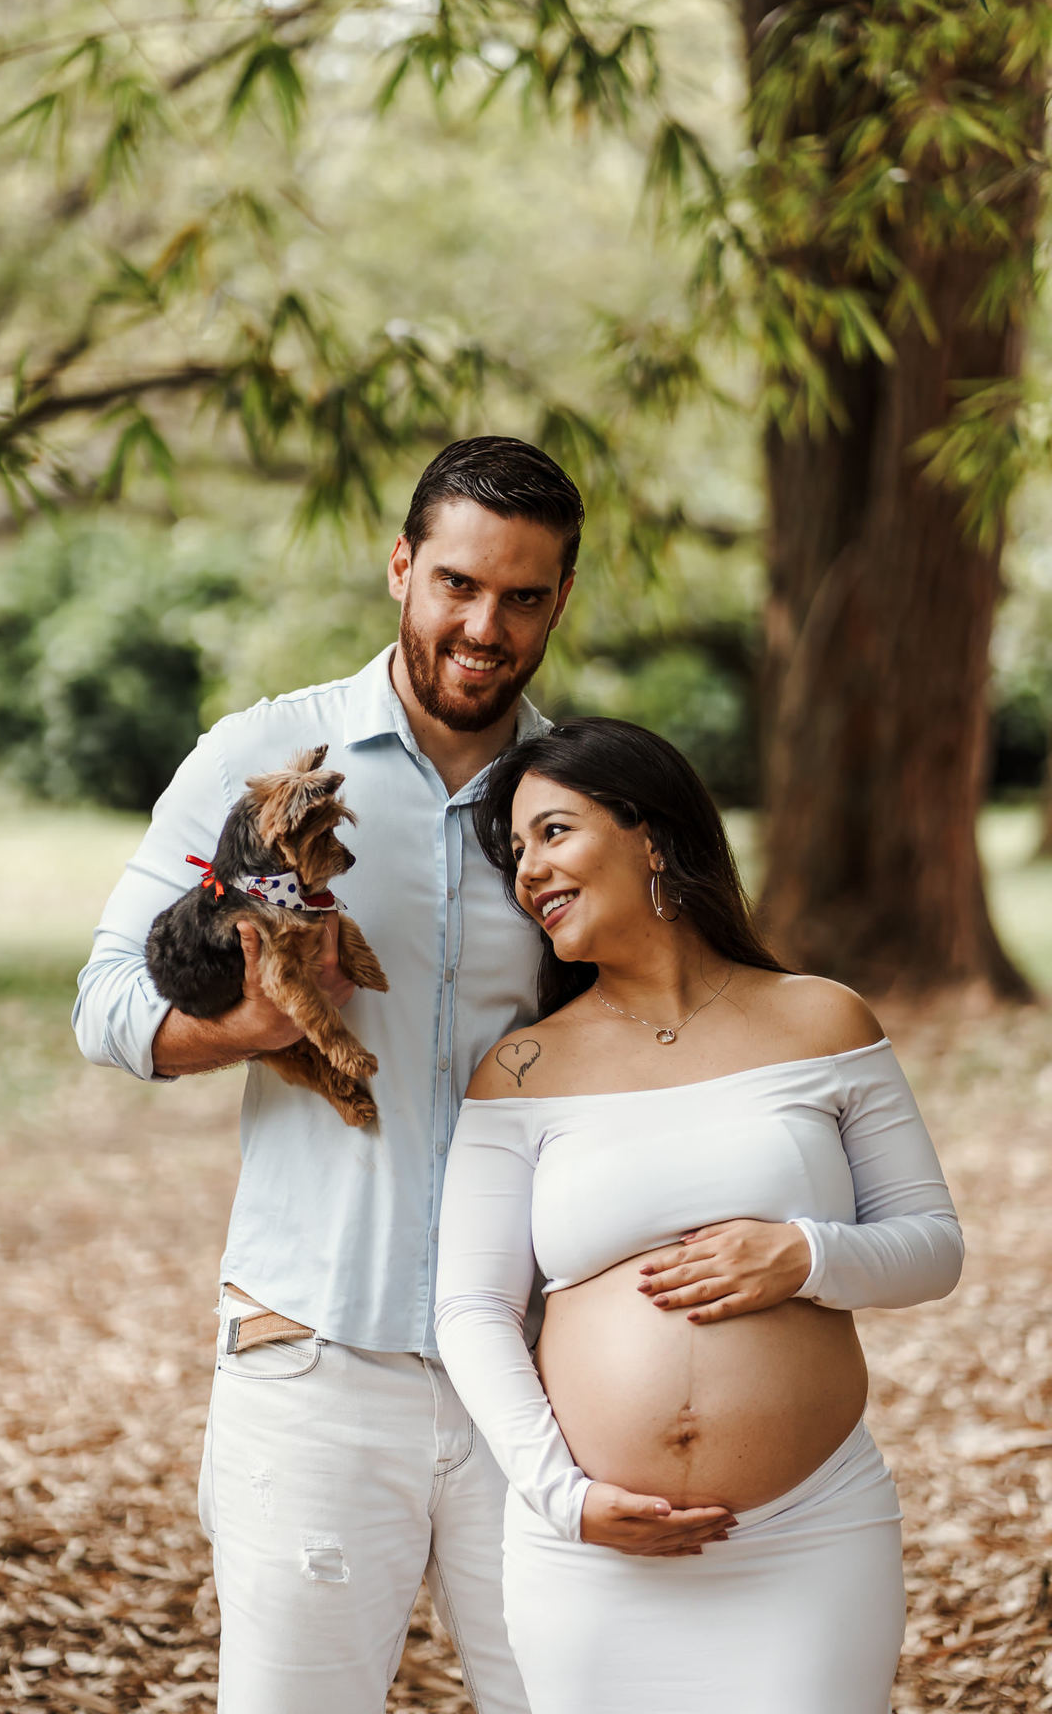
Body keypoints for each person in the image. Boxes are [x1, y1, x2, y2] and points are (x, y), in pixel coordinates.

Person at [75, 438, 728, 1714]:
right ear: (401, 568)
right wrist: (261, 1026)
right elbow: (106, 1006)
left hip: (548, 1376)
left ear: (560, 599)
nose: (486, 627)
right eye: (458, 586)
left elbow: (678, 1021)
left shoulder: (582, 800)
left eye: (524, 597)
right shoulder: (263, 763)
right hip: (315, 1361)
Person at [433, 717, 964, 1714]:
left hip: (811, 1539)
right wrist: (566, 1498)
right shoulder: (522, 1069)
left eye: (553, 832)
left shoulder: (823, 1021)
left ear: (652, 835)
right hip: (593, 1551)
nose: (528, 871)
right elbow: (470, 1306)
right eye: (514, 852)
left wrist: (801, 1255)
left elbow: (932, 1249)